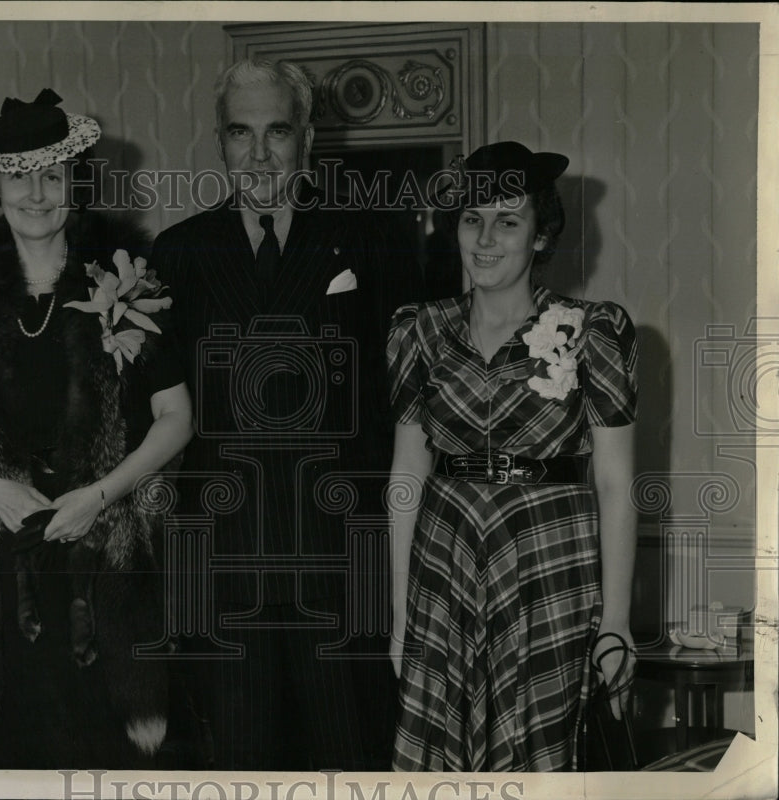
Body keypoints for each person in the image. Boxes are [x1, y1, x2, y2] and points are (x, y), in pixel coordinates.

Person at [150, 58, 421, 770]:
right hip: (226, 568)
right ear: (219, 142)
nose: (260, 153)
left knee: (350, 762)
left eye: (278, 131)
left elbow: (410, 409)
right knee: (237, 767)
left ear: (307, 139)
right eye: (241, 133)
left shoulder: (375, 240)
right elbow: (155, 421)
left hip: (341, 566)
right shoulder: (177, 255)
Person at [0, 89, 193, 769]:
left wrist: (98, 495)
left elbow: (175, 418)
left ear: (75, 181)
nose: (36, 194)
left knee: (110, 762)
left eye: (52, 175)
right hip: (1, 574)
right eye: (18, 177)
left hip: (105, 563)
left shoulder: (127, 283)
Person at [387, 141, 638, 771]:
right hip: (443, 571)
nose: (486, 238)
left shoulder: (594, 331)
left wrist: (616, 622)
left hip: (549, 567)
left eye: (508, 219)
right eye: (472, 219)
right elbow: (406, 476)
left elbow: (614, 484)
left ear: (542, 236)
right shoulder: (418, 329)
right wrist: (398, 616)